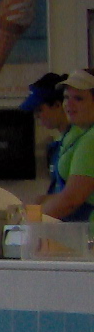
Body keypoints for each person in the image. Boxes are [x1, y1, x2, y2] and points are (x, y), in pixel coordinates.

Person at [32, 70, 94, 221]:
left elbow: (70, 201)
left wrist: (29, 221)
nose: (69, 104)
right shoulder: (84, 135)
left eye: (78, 99)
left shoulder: (91, 140)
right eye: (66, 97)